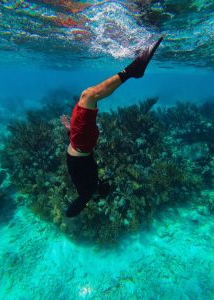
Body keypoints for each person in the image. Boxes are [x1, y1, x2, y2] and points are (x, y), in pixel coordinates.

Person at [62, 36, 164, 217]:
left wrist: (69, 131)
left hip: (78, 140)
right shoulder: (87, 191)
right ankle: (134, 70)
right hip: (81, 143)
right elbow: (72, 212)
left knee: (87, 95)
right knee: (89, 95)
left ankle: (134, 69)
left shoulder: (88, 187)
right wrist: (82, 203)